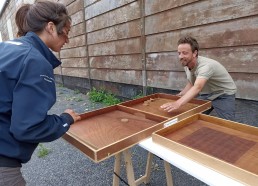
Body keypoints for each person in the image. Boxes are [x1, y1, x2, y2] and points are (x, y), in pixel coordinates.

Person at [0, 1, 81, 185]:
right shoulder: (34, 60)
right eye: (66, 33)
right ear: (51, 28)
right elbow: (28, 128)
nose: (67, 40)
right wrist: (64, 119)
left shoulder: (6, 47)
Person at [160, 36, 237, 121]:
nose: (181, 56)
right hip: (207, 94)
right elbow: (191, 82)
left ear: (194, 53)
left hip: (223, 94)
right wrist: (180, 95)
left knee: (228, 124)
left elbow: (197, 87)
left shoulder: (206, 66)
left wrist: (178, 103)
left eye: (184, 53)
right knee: (192, 118)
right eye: (179, 53)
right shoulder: (187, 63)